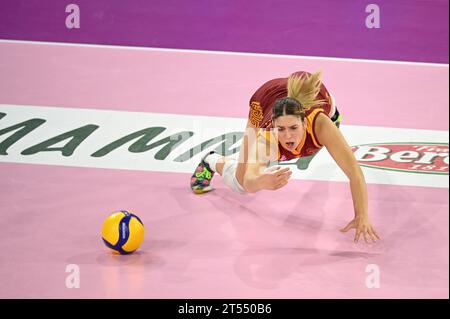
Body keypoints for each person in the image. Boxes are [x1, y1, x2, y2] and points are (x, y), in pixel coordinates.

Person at [190, 71, 379, 243]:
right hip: (265, 97)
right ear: (273, 125)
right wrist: (260, 182)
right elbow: (248, 181)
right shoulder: (267, 139)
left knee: (333, 133)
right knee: (239, 184)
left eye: (294, 128)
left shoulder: (322, 124)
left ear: (304, 123)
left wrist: (361, 215)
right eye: (281, 129)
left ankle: (324, 117)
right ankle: (210, 159)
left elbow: (355, 173)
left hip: (316, 95)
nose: (288, 136)